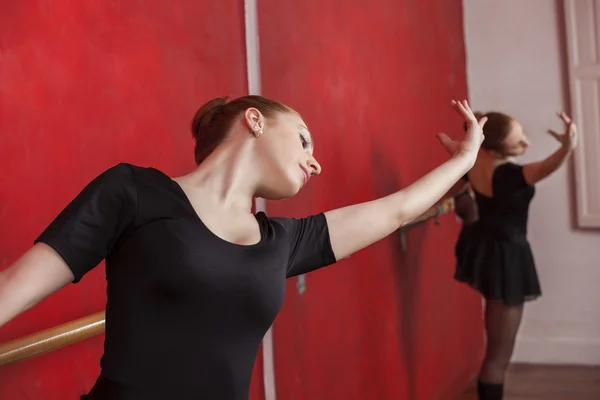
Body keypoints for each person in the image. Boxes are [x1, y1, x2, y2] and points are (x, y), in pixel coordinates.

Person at [0, 95, 485, 399]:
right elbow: (15, 289)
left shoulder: (285, 241)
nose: (314, 164)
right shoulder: (132, 192)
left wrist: (466, 160)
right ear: (255, 120)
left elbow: (396, 210)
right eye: (304, 141)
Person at [447, 111, 577, 400]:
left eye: (522, 135)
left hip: (486, 249)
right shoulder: (510, 175)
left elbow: (457, 173)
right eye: (517, 144)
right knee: (497, 358)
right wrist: (568, 146)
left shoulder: (475, 161)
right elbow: (548, 166)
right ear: (494, 149)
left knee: (495, 350)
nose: (527, 145)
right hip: (508, 259)